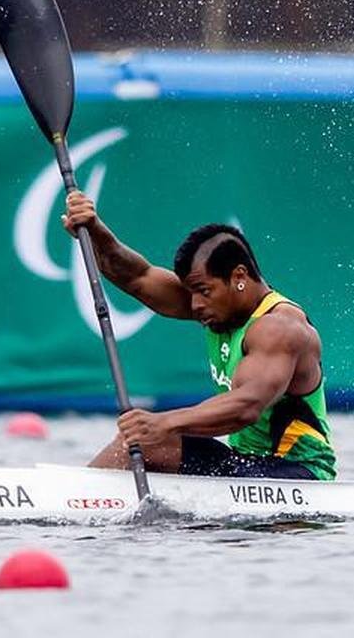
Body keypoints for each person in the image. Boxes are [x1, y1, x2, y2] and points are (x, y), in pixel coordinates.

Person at [62, 191, 337, 481]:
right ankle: (84, 497)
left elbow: (247, 406)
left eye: (203, 291)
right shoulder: (220, 307)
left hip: (300, 474)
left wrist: (163, 423)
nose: (194, 305)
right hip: (248, 462)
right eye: (191, 292)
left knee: (147, 442)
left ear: (239, 277)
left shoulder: (279, 328)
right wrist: (94, 232)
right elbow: (137, 278)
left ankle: (77, 496)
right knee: (140, 444)